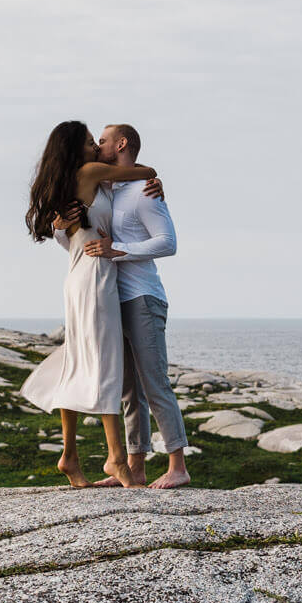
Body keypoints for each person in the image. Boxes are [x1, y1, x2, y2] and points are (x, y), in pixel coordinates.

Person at [19, 120, 158, 488]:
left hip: (81, 277)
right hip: (95, 280)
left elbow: (70, 233)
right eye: (89, 142)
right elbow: (143, 169)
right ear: (75, 149)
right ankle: (117, 460)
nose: (96, 147)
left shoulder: (76, 180)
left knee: (79, 361)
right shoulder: (91, 170)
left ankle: (70, 456)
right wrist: (152, 178)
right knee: (105, 364)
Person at [79, 123, 188, 488]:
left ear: (121, 144)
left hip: (143, 297)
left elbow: (168, 242)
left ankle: (178, 466)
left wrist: (119, 251)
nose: (99, 145)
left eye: (104, 140)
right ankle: (135, 467)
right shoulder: (110, 187)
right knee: (128, 391)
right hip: (113, 300)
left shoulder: (144, 190)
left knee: (155, 383)